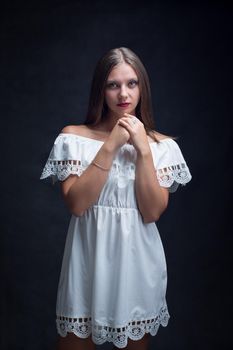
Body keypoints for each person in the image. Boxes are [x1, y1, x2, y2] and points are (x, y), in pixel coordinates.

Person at [40, 47, 192, 350]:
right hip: (86, 261)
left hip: (137, 263)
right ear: (101, 90)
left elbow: (151, 212)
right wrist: (112, 145)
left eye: (132, 83)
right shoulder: (73, 138)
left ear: (142, 88)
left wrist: (143, 150)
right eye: (113, 84)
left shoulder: (163, 147)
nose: (124, 93)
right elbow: (77, 204)